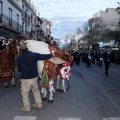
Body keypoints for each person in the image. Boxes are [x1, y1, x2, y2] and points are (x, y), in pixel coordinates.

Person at [17, 43, 54, 112]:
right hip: (34, 77)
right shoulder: (34, 55)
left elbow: (19, 69)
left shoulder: (19, 58)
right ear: (27, 48)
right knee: (36, 91)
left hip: (25, 78)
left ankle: (27, 108)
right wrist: (52, 54)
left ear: (20, 50)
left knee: (25, 93)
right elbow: (44, 56)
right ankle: (39, 105)